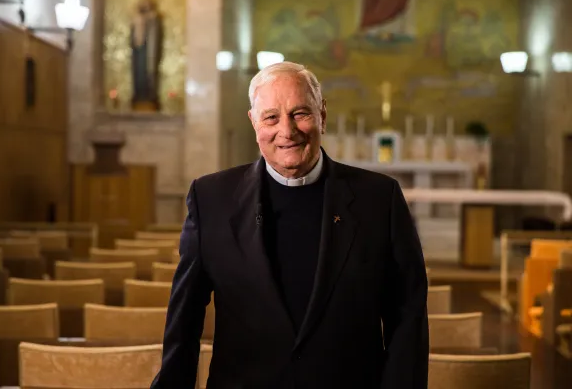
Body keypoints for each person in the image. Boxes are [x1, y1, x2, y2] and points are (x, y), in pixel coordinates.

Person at [151, 61, 429, 388]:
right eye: (271, 117)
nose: (287, 131)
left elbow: (407, 316)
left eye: (300, 113)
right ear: (254, 122)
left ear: (322, 115)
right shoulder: (211, 198)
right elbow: (185, 319)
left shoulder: (380, 199)